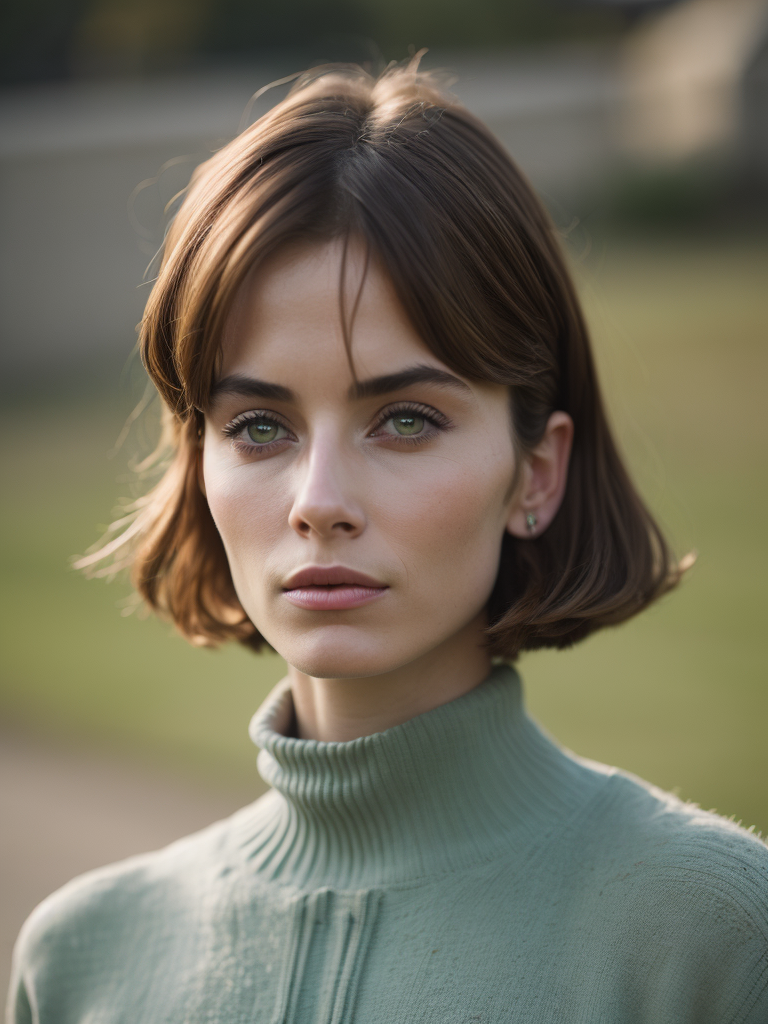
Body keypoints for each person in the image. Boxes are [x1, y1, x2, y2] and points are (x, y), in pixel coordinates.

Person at [7, 60, 768, 1024]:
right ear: (199, 462)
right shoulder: (81, 960)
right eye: (259, 427)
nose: (318, 502)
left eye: (405, 420)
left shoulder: (714, 937)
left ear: (535, 471)